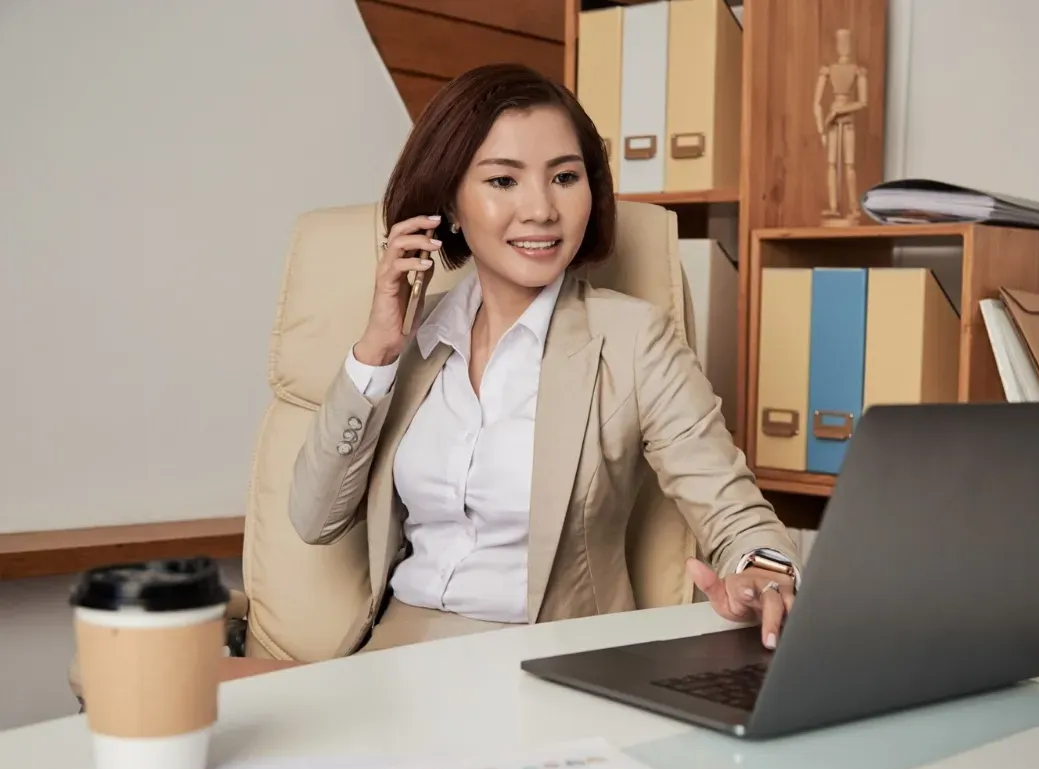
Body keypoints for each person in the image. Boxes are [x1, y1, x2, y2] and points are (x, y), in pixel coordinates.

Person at [289, 63, 802, 654]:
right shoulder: (409, 339)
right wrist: (377, 348)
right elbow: (315, 519)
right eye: (503, 181)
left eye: (564, 176)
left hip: (551, 660)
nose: (541, 209)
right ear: (450, 205)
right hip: (395, 655)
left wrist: (765, 571)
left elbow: (732, 508)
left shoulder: (632, 340)